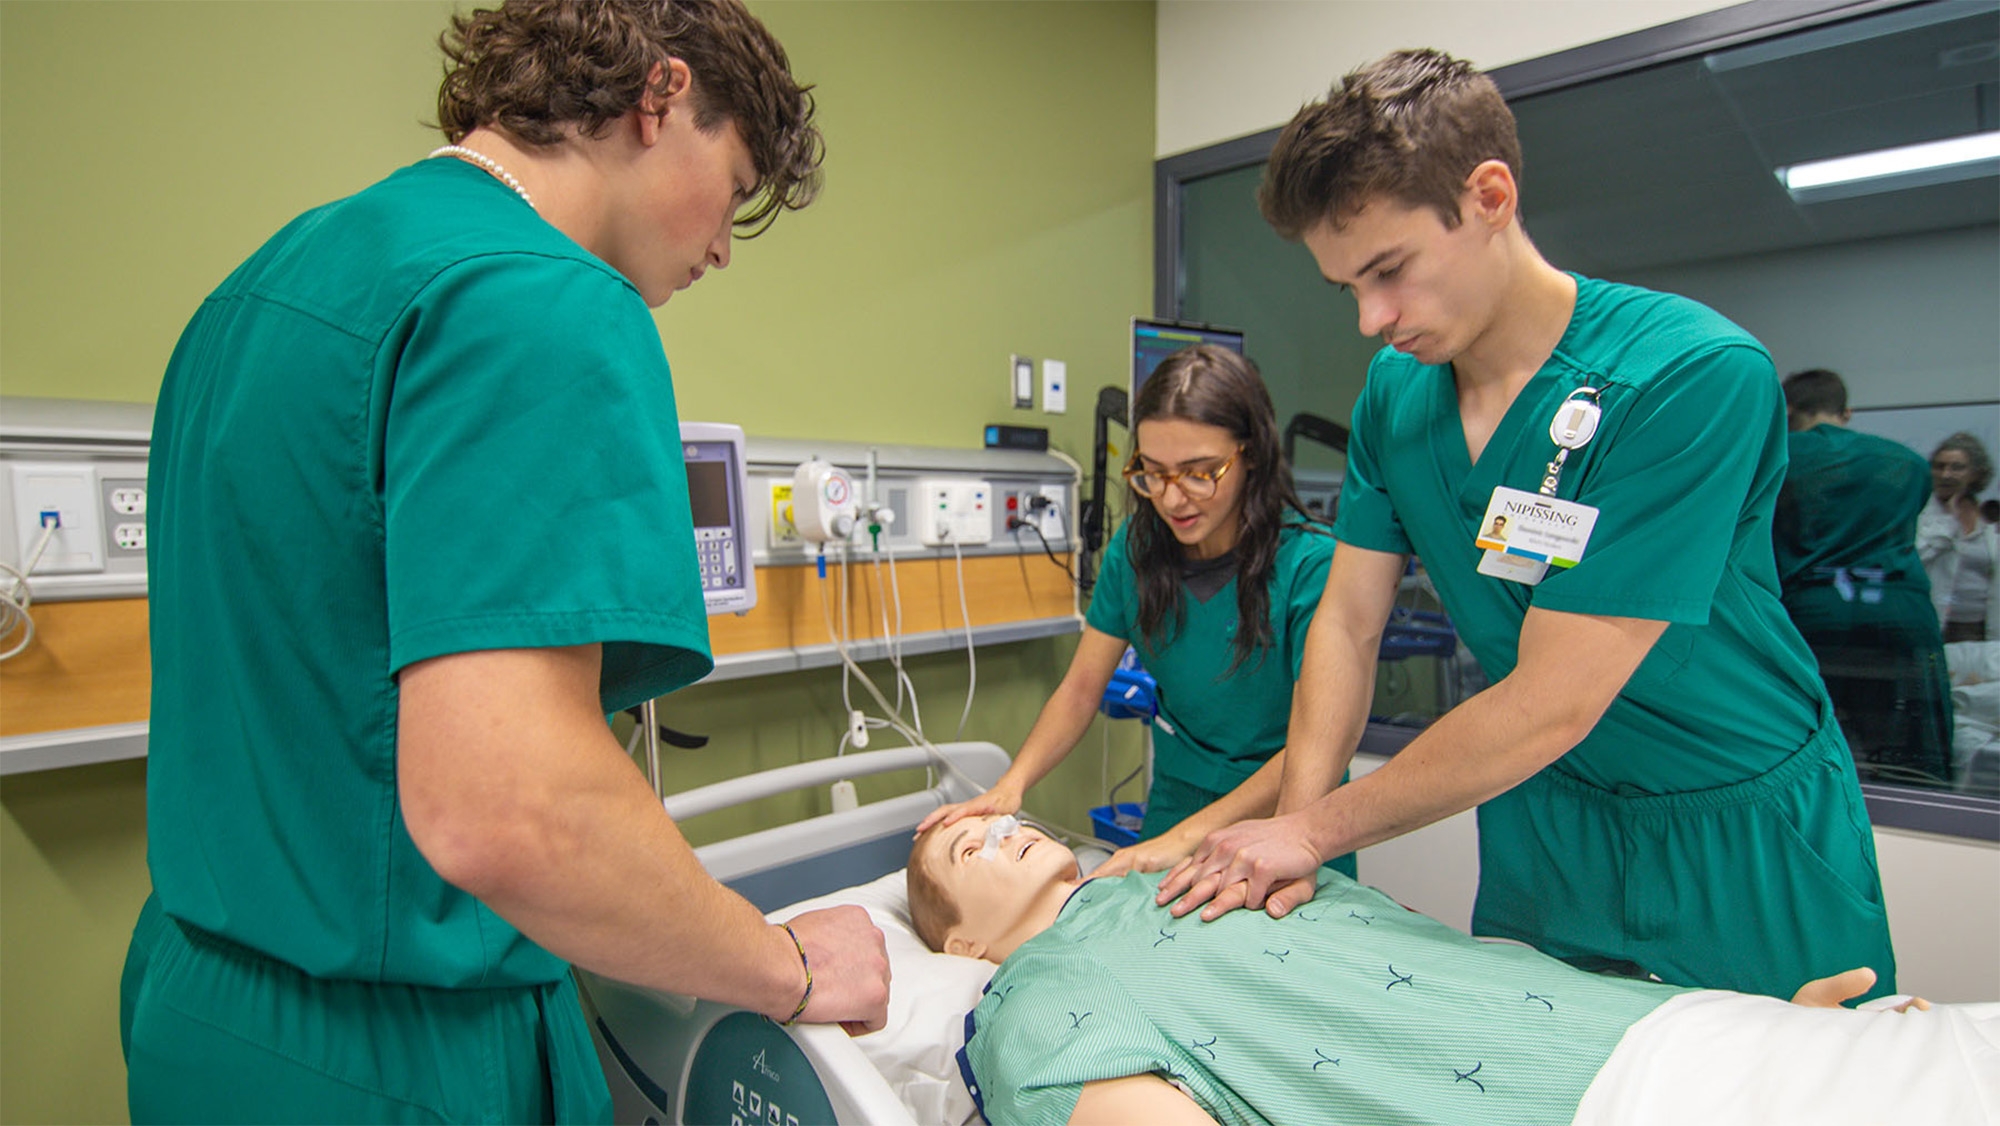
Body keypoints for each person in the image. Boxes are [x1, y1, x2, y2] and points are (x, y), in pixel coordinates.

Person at [121, 4, 890, 1121]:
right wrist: (787, 964)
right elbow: (512, 811)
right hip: (396, 1058)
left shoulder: (258, 289)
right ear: (660, 96)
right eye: (732, 189)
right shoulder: (546, 301)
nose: (724, 242)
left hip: (201, 1014)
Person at [1158, 49, 1897, 1003]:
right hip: (1544, 815)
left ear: (1490, 196)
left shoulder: (1687, 377)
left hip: (1736, 818)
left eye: (1390, 270)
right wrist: (1293, 840)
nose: (1371, 320)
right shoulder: (1398, 397)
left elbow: (1557, 695)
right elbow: (1346, 623)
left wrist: (1313, 832)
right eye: (1348, 288)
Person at [908, 815, 1995, 1126]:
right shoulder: (1032, 1004)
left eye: (1004, 816)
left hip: (1690, 1035)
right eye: (966, 847)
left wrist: (1765, 1027)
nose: (999, 826)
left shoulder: (1221, 865)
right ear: (960, 942)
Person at [917, 345, 1353, 880]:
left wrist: (1182, 843)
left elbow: (1319, 743)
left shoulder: (1312, 566)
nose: (1173, 499)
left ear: (1252, 454)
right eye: (1154, 472)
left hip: (1289, 810)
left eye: (1199, 472)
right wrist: (1011, 786)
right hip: (1176, 801)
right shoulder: (1137, 552)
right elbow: (1081, 690)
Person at [1772, 369, 1952, 784]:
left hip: (1813, 612)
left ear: (1789, 410)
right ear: (1847, 412)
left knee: (1802, 739)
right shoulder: (1907, 463)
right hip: (1901, 612)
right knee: (1910, 749)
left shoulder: (1781, 456)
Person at [1919, 431, 1998, 643]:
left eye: (1957, 467)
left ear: (1975, 474)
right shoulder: (1921, 513)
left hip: (1981, 627)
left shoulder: (1987, 518)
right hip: (1936, 622)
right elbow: (1916, 558)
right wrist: (1948, 524)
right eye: (1939, 466)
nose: (1946, 474)